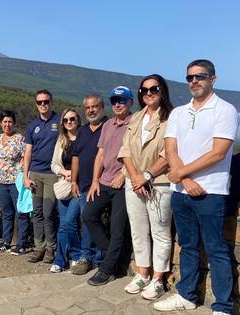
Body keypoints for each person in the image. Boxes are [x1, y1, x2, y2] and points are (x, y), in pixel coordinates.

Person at [153, 60, 239, 315]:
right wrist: (185, 180)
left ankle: (222, 307)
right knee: (188, 246)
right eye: (190, 77)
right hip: (181, 191)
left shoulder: (224, 110)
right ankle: (187, 295)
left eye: (200, 77)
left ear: (213, 79)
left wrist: (180, 173)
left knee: (216, 249)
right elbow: (171, 149)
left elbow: (218, 153)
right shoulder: (179, 112)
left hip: (211, 191)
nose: (194, 81)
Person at [118, 74, 173, 300]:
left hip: (159, 182)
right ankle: (143, 273)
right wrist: (135, 177)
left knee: (160, 231)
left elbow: (170, 153)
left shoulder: (171, 118)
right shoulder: (136, 118)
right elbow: (126, 150)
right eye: (144, 90)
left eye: (154, 89)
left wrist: (147, 176)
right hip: (134, 182)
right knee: (138, 230)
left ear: (163, 91)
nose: (148, 93)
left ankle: (158, 277)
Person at [81, 86, 133, 286]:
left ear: (130, 102)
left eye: (122, 100)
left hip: (122, 182)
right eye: (114, 101)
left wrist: (123, 174)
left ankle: (107, 269)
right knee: (88, 215)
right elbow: (100, 154)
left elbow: (136, 155)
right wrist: (95, 180)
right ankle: (110, 254)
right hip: (104, 181)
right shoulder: (109, 124)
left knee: (117, 227)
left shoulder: (134, 123)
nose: (118, 104)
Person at [70, 94, 108, 275]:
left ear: (102, 107)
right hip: (84, 184)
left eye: (94, 107)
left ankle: (95, 257)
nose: (91, 110)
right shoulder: (83, 131)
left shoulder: (109, 127)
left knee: (92, 219)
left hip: (102, 184)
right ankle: (91, 257)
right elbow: (76, 156)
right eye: (87, 108)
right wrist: (73, 181)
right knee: (86, 220)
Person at [23, 89, 61, 263]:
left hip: (52, 174)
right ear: (36, 104)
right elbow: (28, 153)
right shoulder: (32, 126)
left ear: (51, 102)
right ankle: (39, 247)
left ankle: (50, 249)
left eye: (46, 101)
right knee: (37, 212)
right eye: (40, 102)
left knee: (49, 213)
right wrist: (25, 175)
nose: (43, 104)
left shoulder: (60, 121)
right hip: (36, 174)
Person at [0, 110, 31, 255]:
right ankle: (6, 242)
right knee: (7, 212)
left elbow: (25, 157)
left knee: (21, 212)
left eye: (10, 122)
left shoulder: (20, 139)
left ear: (14, 123)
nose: (7, 124)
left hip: (16, 181)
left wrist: (23, 175)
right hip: (1, 181)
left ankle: (21, 244)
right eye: (4, 122)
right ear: (0, 123)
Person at [49, 108, 82, 273]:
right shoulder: (61, 141)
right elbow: (54, 163)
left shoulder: (84, 137)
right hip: (64, 185)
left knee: (70, 221)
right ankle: (60, 260)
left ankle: (76, 256)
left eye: (72, 119)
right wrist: (65, 173)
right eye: (66, 120)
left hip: (79, 186)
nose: (69, 122)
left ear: (78, 120)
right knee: (63, 225)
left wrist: (76, 175)